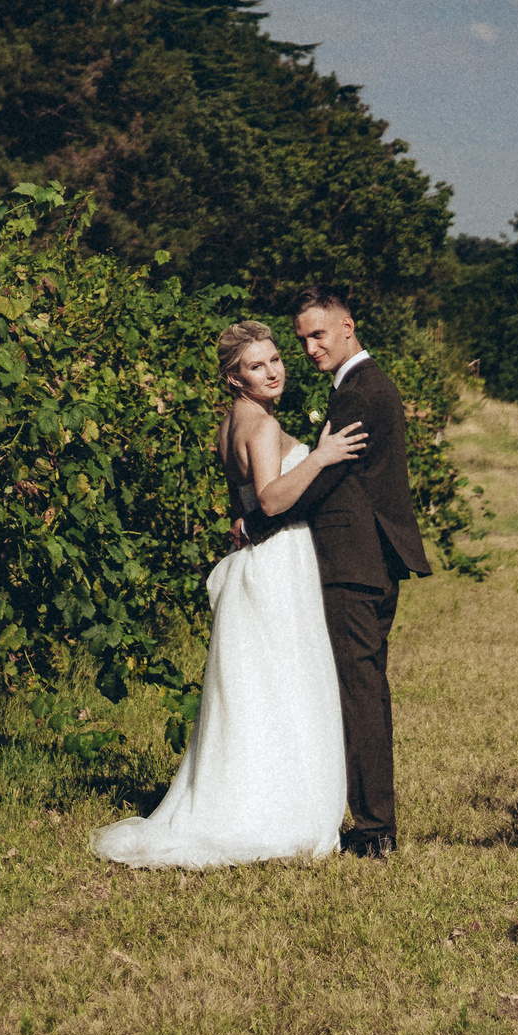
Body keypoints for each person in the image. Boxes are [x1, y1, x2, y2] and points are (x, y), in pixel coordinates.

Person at [91, 321, 366, 868]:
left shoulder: (229, 425)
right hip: (278, 562)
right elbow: (268, 501)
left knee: (254, 690)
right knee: (284, 686)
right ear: (233, 378)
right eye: (257, 366)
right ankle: (275, 809)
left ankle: (246, 794)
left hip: (254, 562)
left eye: (275, 359)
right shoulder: (261, 425)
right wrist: (321, 455)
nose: (274, 371)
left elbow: (241, 504)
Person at [254, 287, 433, 860]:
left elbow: (325, 480)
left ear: (348, 326)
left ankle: (376, 829)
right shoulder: (362, 385)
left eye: (318, 334)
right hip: (368, 560)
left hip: (354, 564)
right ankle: (371, 817)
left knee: (359, 692)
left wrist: (260, 521)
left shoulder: (360, 391)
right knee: (363, 688)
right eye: (302, 338)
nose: (308, 347)